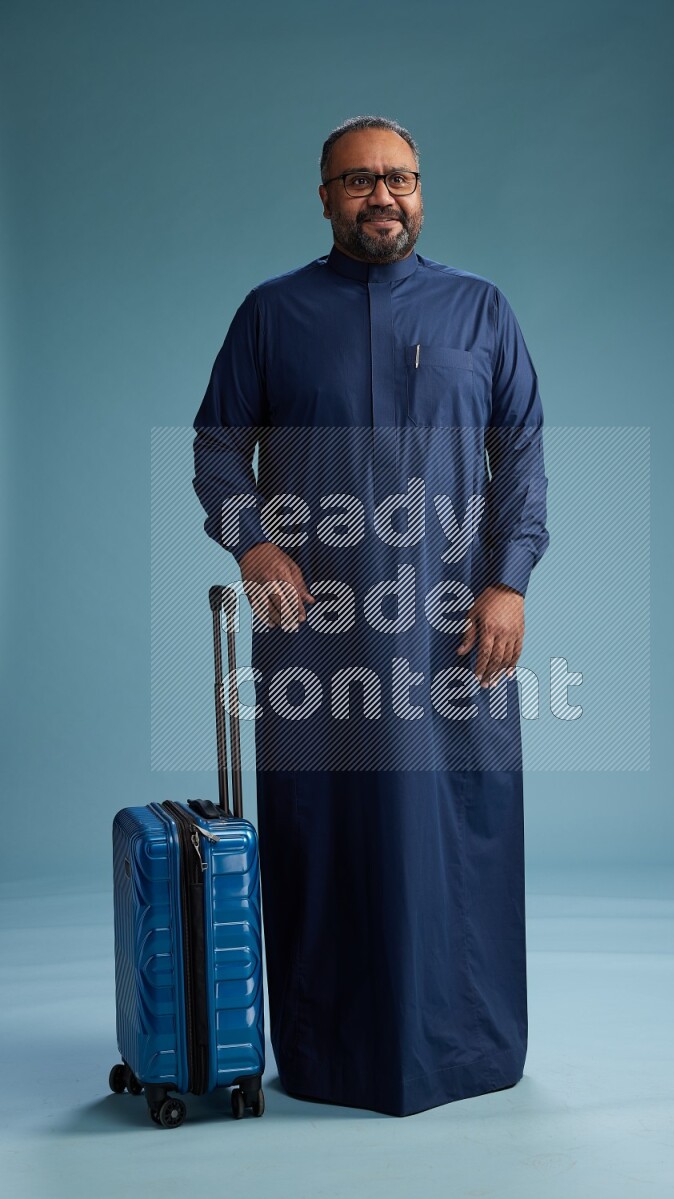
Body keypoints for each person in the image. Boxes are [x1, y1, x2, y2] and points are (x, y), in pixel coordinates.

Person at [192, 114, 550, 1116]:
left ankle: (468, 1046)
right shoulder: (272, 314)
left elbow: (521, 454)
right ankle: (329, 1052)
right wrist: (252, 542)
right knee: (325, 829)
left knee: (459, 830)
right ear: (324, 197)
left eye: (398, 177)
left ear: (420, 191)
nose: (381, 195)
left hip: (452, 626)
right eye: (358, 180)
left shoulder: (480, 310)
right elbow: (217, 444)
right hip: (319, 630)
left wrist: (509, 581)